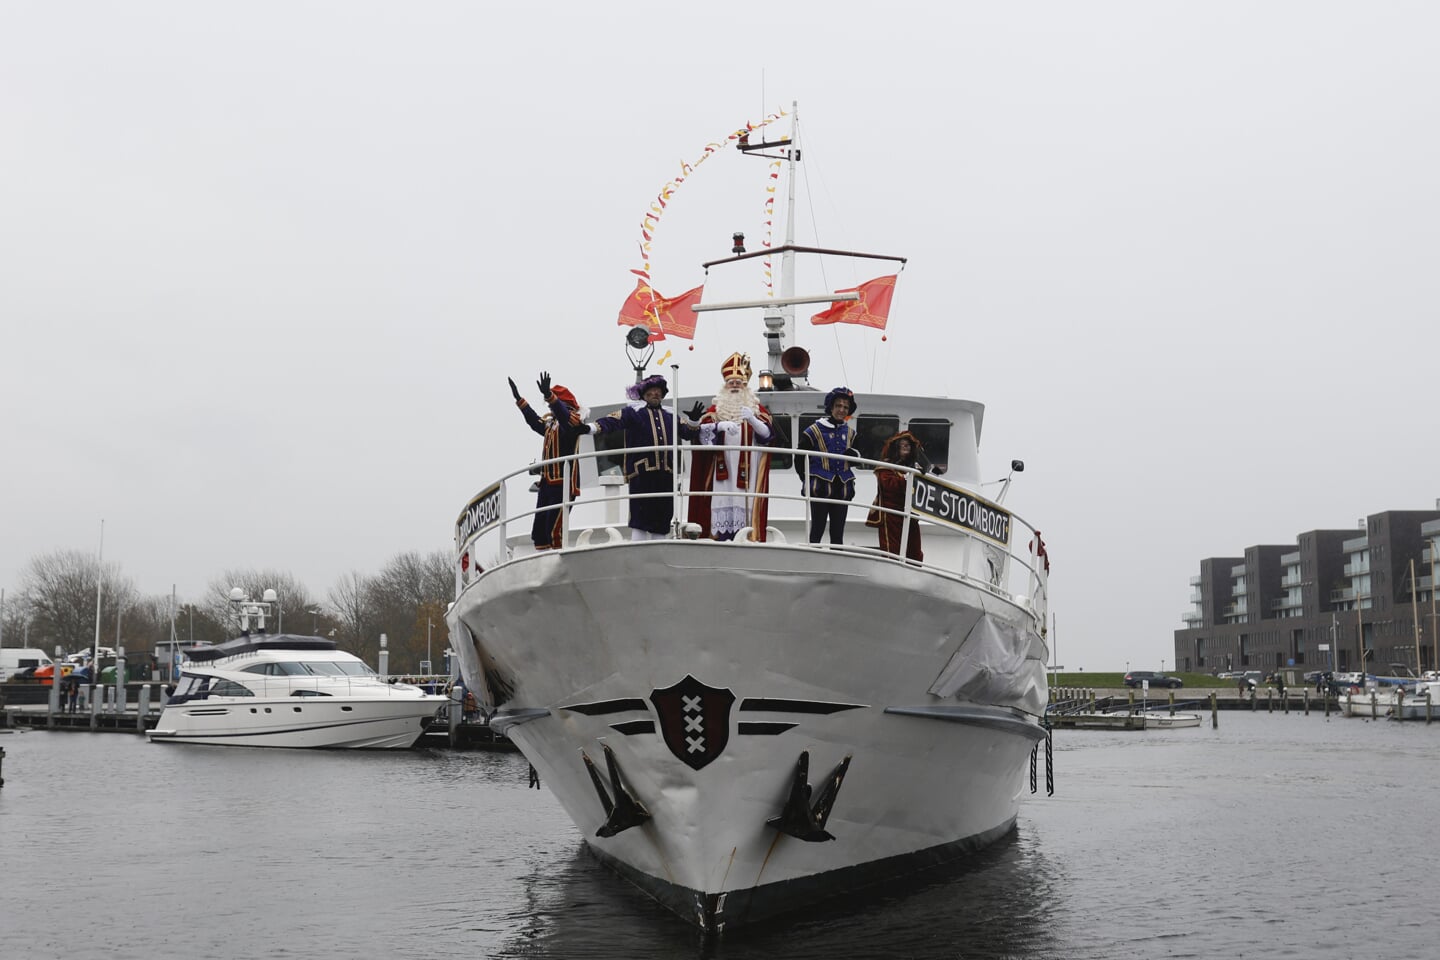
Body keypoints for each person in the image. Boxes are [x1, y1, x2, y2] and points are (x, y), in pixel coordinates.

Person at [587, 374, 701, 540]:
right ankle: (636, 548)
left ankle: (658, 548)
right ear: (643, 394)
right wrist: (590, 428)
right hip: (642, 473)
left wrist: (694, 420)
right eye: (651, 391)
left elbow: (688, 433)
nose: (655, 394)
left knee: (662, 518)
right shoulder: (633, 412)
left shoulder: (670, 416)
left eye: (658, 391)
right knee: (641, 518)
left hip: (666, 473)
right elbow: (611, 421)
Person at [687, 352, 775, 541]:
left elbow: (768, 436)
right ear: (724, 386)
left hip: (749, 473)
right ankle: (720, 537)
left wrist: (752, 419)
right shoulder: (716, 411)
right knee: (721, 501)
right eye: (731, 383)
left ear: (745, 387)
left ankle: (746, 538)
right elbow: (699, 436)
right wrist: (717, 426)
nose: (735, 386)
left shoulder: (757, 410)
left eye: (739, 383)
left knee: (747, 505)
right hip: (722, 472)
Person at [510, 371, 587, 550]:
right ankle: (545, 567)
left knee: (555, 529)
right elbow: (535, 422)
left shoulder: (573, 421)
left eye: (553, 403)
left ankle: (560, 564)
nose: (550, 408)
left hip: (564, 483)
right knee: (539, 533)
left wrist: (549, 396)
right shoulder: (551, 424)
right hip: (547, 484)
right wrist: (520, 401)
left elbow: (564, 416)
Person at [796, 387, 858, 545]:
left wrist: (854, 457)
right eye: (838, 406)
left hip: (842, 488)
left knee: (838, 532)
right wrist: (806, 479)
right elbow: (799, 458)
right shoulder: (813, 430)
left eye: (845, 407)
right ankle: (812, 557)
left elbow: (856, 458)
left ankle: (838, 560)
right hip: (820, 487)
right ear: (831, 407)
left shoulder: (851, 433)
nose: (841, 410)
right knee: (817, 528)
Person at [868, 430, 925, 562]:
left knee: (914, 550)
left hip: (910, 513)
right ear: (895, 448)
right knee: (891, 550)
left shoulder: (914, 468)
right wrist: (908, 477)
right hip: (891, 513)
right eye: (902, 444)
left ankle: (914, 571)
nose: (906, 446)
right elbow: (890, 486)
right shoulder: (886, 466)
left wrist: (920, 475)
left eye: (908, 445)